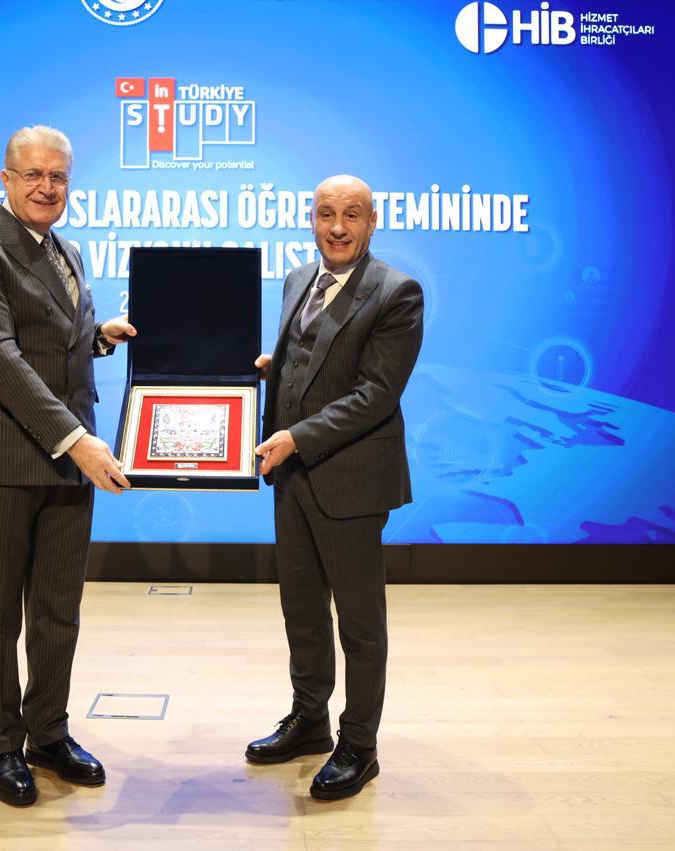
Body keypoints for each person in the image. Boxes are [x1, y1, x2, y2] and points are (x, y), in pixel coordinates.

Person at [0, 125, 136, 807]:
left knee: (58, 610)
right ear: (6, 179)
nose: (46, 187)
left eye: (58, 176)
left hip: (66, 461)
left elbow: (48, 343)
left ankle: (48, 732)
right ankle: (2, 745)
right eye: (33, 175)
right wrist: (77, 440)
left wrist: (99, 338)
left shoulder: (66, 249)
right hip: (1, 459)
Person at [248, 174, 424, 800]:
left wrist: (296, 436)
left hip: (350, 479)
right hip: (292, 477)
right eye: (327, 214)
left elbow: (376, 393)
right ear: (312, 220)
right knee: (300, 608)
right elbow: (312, 359)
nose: (338, 227)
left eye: (352, 215)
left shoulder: (397, 293)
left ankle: (359, 744)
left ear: (372, 223)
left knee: (359, 622)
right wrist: (275, 370)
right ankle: (309, 720)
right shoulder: (299, 279)